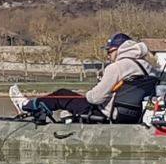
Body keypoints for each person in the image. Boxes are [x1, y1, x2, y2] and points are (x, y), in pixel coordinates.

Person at [9, 33, 155, 122]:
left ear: (120, 50)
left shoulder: (116, 67)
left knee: (62, 94)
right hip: (133, 116)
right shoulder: (149, 69)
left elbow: (94, 99)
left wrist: (91, 92)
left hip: (108, 114)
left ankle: (26, 106)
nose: (108, 56)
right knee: (69, 105)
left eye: (109, 52)